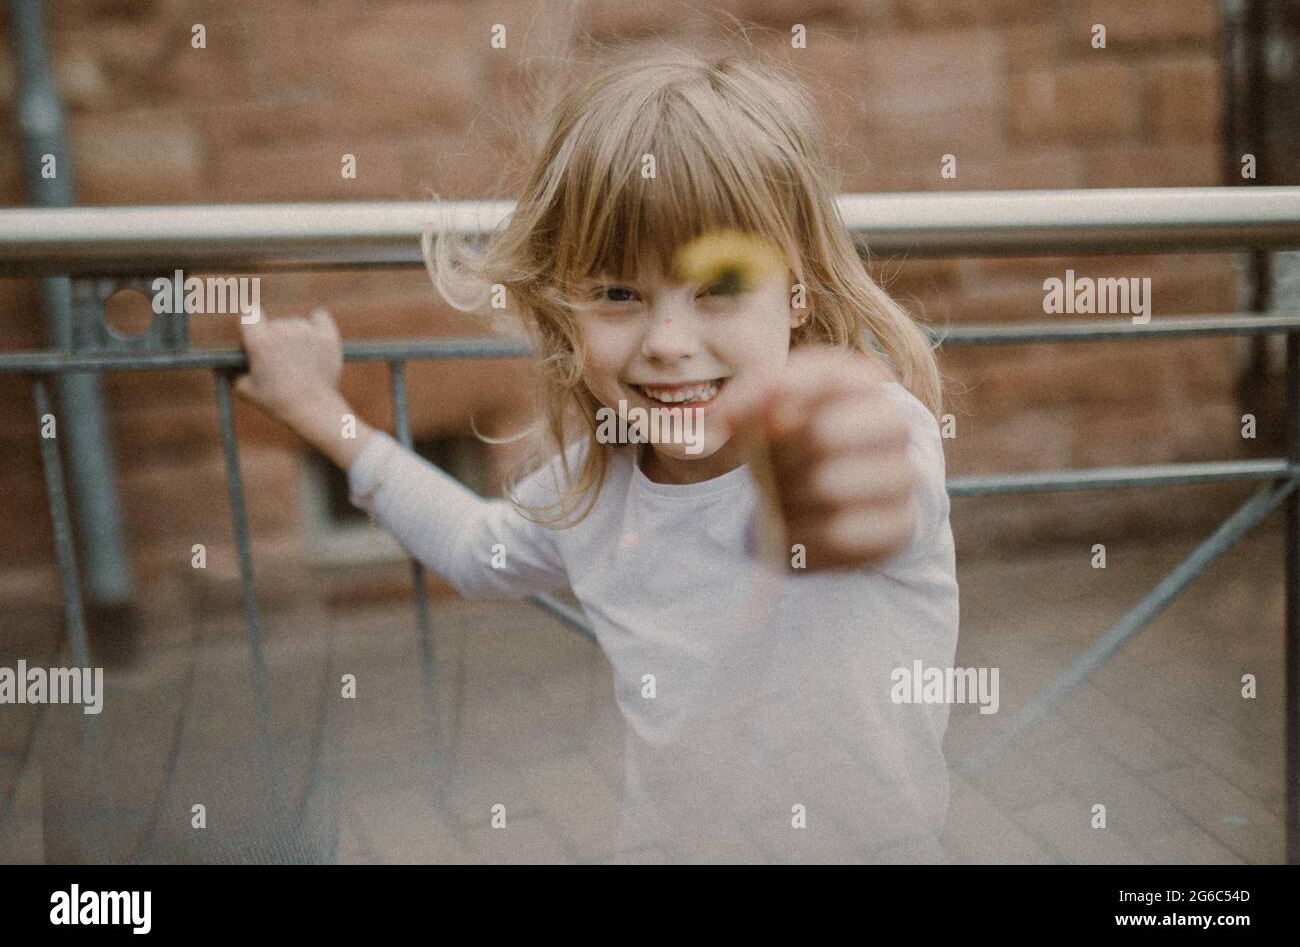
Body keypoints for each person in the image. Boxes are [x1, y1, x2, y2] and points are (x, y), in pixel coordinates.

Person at [235, 46, 958, 864]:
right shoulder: (593, 490)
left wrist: (833, 463)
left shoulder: (873, 430)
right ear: (565, 311)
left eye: (719, 284)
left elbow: (882, 480)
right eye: (618, 294)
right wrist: (318, 411)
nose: (668, 343)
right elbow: (475, 549)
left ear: (797, 290)